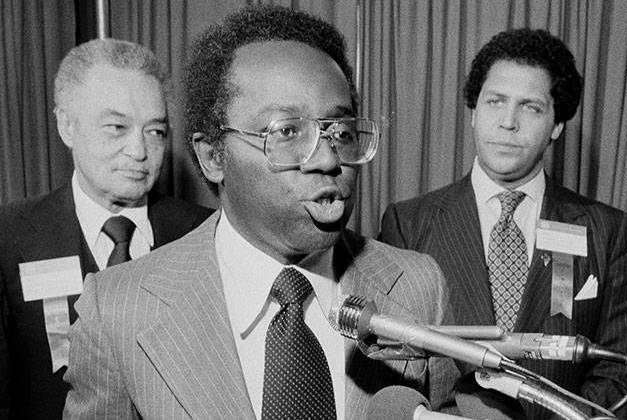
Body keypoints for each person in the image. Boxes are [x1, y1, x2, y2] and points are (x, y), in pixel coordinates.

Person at [62, 5, 456, 419]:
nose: (326, 158)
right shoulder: (117, 310)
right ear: (213, 155)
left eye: (339, 132)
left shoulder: (417, 286)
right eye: (287, 132)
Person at [379, 28, 627, 419]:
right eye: (495, 101)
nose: (508, 122)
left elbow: (621, 370)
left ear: (556, 125)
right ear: (474, 112)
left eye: (531, 107)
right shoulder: (409, 222)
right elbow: (393, 360)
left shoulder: (605, 230)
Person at [0, 38, 213, 419]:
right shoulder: (10, 238)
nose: (139, 151)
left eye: (155, 132)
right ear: (67, 126)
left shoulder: (204, 233)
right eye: (117, 127)